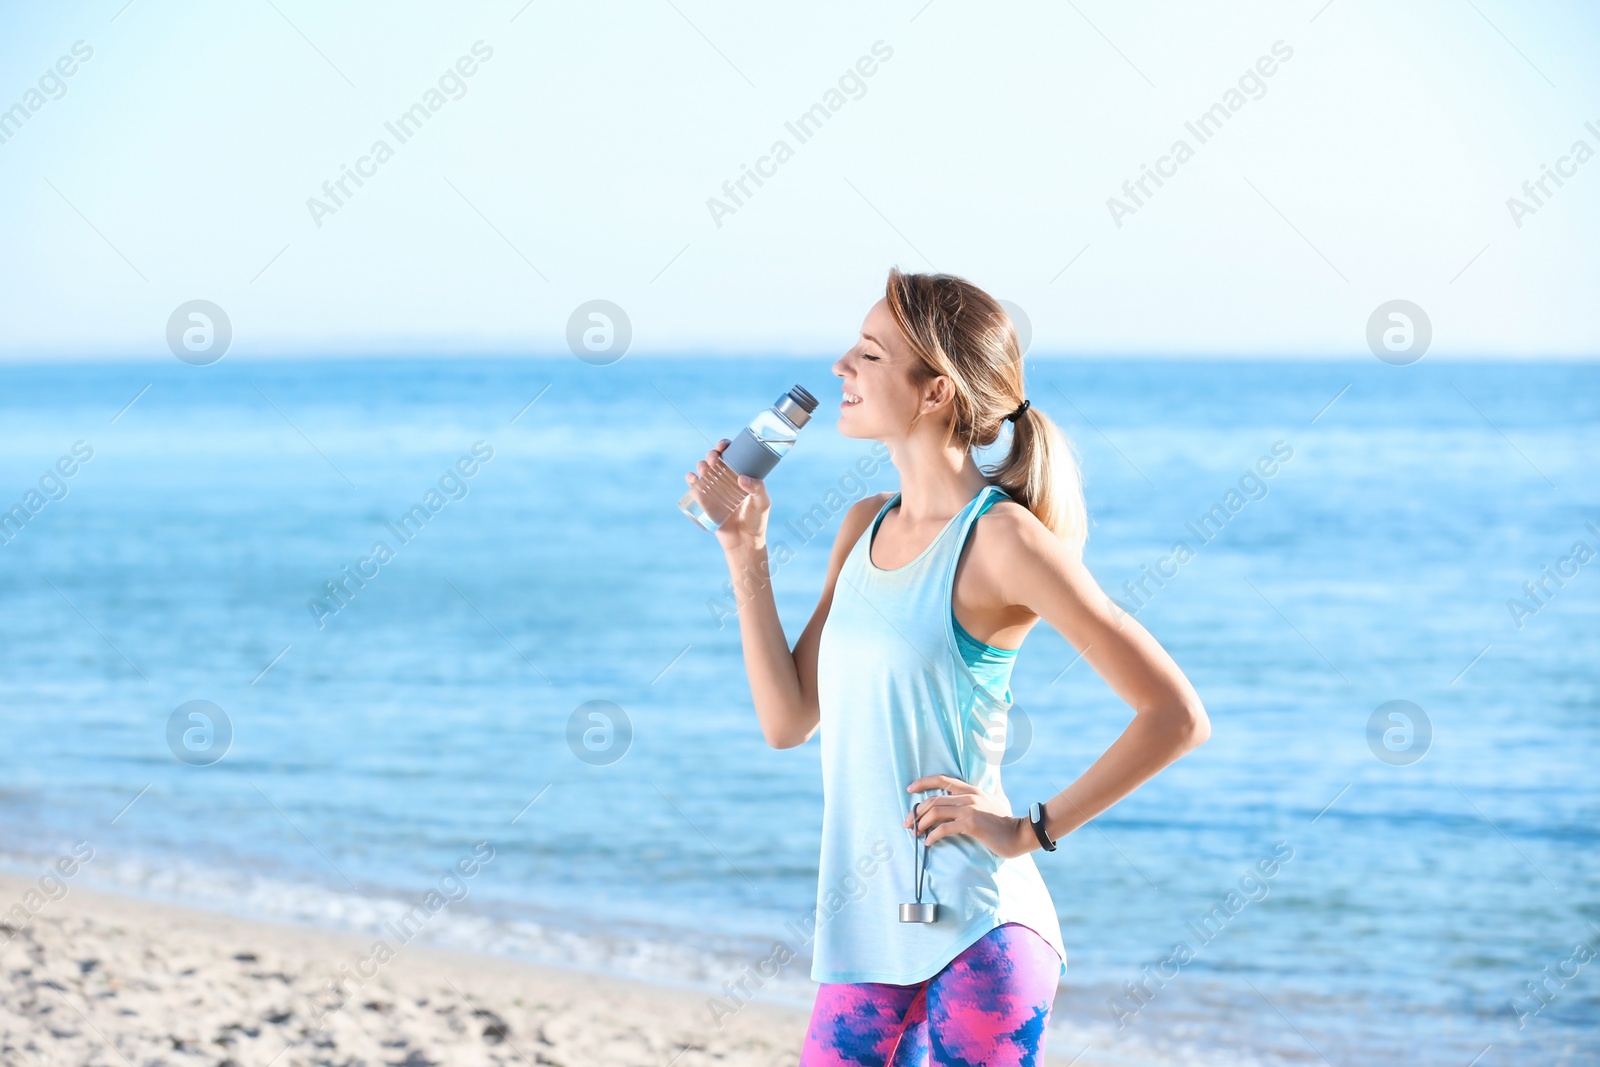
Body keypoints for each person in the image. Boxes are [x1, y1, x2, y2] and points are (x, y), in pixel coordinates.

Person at [682, 268, 1210, 1065]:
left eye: (866, 354)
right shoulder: (864, 523)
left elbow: (1174, 715)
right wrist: (745, 550)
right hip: (863, 936)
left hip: (979, 934)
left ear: (933, 391)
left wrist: (1028, 828)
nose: (839, 370)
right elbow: (788, 719)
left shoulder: (1005, 541)